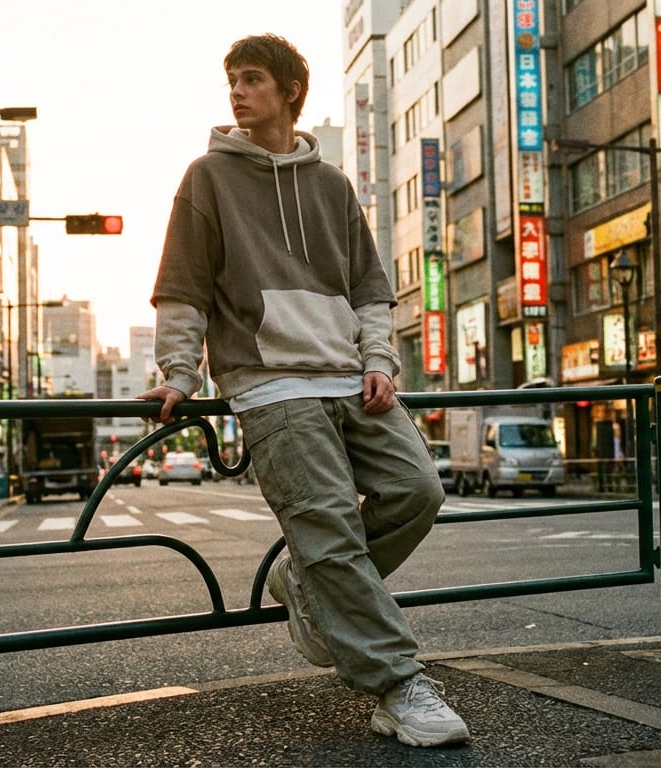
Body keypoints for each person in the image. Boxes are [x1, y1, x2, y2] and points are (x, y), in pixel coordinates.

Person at [138, 34, 467, 748]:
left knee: (419, 490)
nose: (236, 92)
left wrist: (381, 360)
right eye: (231, 80)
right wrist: (177, 373)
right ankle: (396, 684)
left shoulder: (334, 186)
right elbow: (183, 290)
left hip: (352, 377)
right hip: (269, 385)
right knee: (328, 526)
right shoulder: (207, 178)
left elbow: (372, 292)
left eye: (252, 79)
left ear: (290, 90)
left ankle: (309, 582)